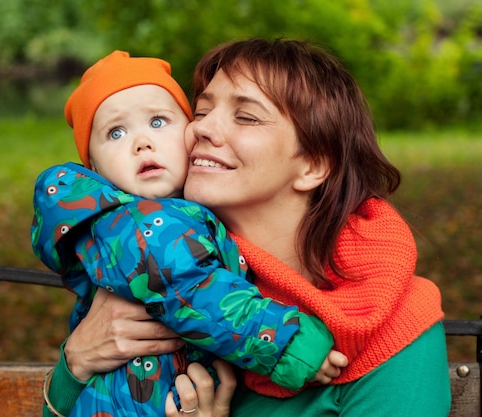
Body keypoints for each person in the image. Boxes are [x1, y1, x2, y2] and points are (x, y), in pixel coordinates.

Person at [45, 38, 452, 417]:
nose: (201, 128)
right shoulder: (158, 275)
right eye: (201, 111)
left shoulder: (391, 324)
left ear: (313, 164)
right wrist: (75, 362)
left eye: (245, 117)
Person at [32, 50, 346, 417]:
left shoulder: (183, 216)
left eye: (159, 121)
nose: (142, 142)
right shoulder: (131, 223)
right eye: (115, 132)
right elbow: (187, 286)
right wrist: (284, 340)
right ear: (95, 167)